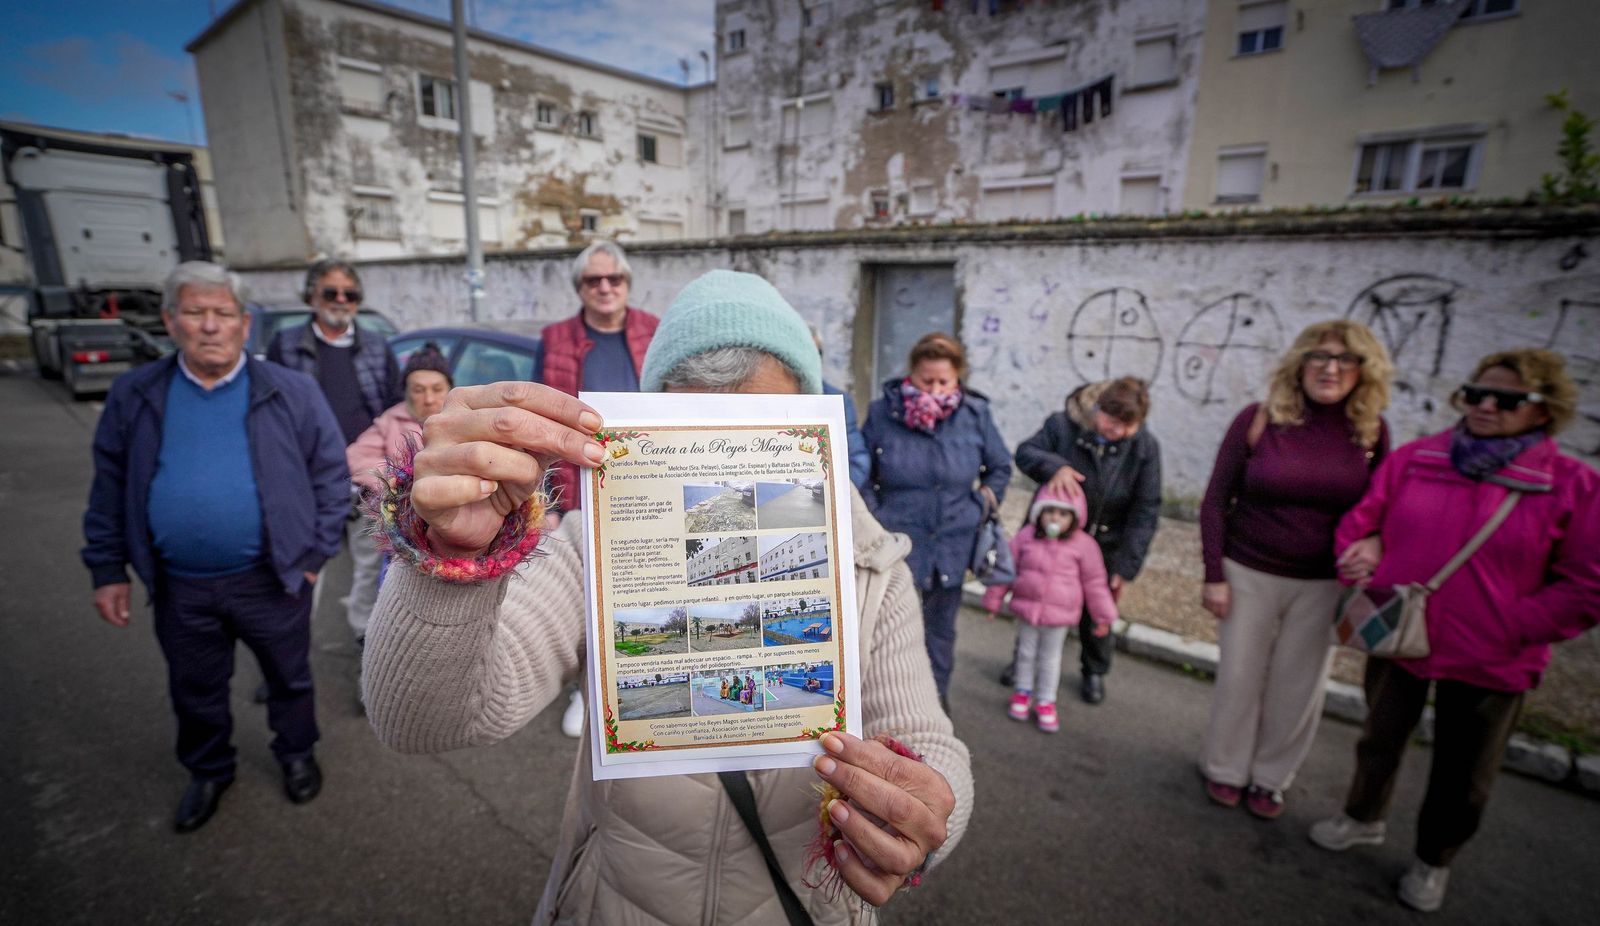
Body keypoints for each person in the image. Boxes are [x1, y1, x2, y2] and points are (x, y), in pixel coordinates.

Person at [362, 270, 970, 920]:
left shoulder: (867, 560)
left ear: (808, 425)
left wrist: (924, 809)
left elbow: (926, 740)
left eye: (760, 436)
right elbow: (421, 721)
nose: (729, 477)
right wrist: (451, 558)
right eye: (692, 434)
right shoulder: (594, 545)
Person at [1310, 349, 1600, 914]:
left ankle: (1434, 858)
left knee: (1465, 769)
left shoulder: (1571, 486)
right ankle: (1363, 817)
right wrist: (1360, 549)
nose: (1488, 405)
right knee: (1379, 739)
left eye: (1510, 398)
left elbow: (1587, 583)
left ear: (1544, 411)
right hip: (1399, 632)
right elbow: (1362, 517)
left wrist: (1516, 625)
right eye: (1477, 393)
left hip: (1493, 656)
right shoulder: (1418, 459)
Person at [82, 261, 348, 832]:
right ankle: (209, 771)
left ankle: (297, 754)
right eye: (195, 312)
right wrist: (107, 569)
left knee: (289, 678)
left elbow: (332, 476)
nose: (209, 326)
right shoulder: (137, 393)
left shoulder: (290, 390)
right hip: (180, 585)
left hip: (273, 579)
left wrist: (312, 558)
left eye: (222, 313)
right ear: (170, 321)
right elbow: (108, 486)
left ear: (244, 323)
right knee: (195, 687)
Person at [1197, 320, 1393, 820]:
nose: (1330, 368)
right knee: (1239, 677)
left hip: (1324, 582)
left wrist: (1373, 541)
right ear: (1299, 363)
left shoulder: (1371, 432)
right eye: (1319, 356)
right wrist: (1213, 574)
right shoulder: (1258, 420)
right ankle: (1224, 767)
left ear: (1362, 371)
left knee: (1299, 685)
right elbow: (1217, 499)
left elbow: (1383, 506)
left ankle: (1270, 777)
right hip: (1249, 571)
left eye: (1345, 359)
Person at [536, 240, 659, 738]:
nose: (605, 288)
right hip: (578, 483)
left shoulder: (653, 330)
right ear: (580, 288)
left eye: (615, 279)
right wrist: (541, 501)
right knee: (586, 590)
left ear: (627, 284)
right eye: (594, 280)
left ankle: (634, 679)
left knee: (641, 586)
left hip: (645, 482)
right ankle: (585, 692)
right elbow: (538, 419)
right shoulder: (557, 337)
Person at [862, 332, 1011, 708]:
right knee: (888, 629)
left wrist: (980, 506)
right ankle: (887, 704)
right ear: (911, 374)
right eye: (926, 380)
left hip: (952, 541)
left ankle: (936, 702)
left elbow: (1000, 467)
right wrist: (875, 516)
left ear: (957, 378)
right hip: (896, 540)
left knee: (941, 631)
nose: (935, 389)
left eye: (944, 381)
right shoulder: (883, 413)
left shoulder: (975, 415)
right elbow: (861, 471)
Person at [267, 258, 401, 646]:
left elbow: (393, 407)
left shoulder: (376, 345)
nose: (341, 300)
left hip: (364, 477)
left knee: (368, 562)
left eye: (350, 294)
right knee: (302, 565)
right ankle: (288, 652)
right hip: (306, 476)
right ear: (311, 296)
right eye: (331, 292)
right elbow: (272, 413)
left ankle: (367, 645)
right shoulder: (287, 344)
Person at [1011, 377, 1161, 704]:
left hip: (1106, 544)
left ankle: (1093, 670)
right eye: (1111, 420)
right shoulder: (1062, 425)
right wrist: (1055, 467)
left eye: (1128, 425)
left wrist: (1127, 563)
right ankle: (1021, 665)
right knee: (1036, 596)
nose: (1117, 431)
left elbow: (1146, 509)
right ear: (1097, 408)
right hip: (1051, 537)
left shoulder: (1144, 448)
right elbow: (1025, 452)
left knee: (1097, 613)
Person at [982, 488, 1119, 733]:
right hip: (1028, 611)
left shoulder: (1084, 545)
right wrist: (993, 600)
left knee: (1050, 659)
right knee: (1025, 653)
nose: (1055, 519)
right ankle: (1023, 692)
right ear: (1039, 513)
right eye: (1050, 512)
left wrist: (1103, 615)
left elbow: (1095, 583)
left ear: (1074, 518)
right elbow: (1006, 570)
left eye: (1063, 514)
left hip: (1059, 617)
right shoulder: (1026, 537)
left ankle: (1046, 700)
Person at [343, 343, 453, 636]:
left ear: (449, 389)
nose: (428, 398)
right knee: (369, 569)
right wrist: (401, 478)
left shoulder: (460, 421)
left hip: (443, 518)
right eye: (418, 389)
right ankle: (365, 633)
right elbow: (356, 456)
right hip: (392, 511)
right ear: (407, 391)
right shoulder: (392, 419)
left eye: (436, 388)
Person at [811, 324, 871, 489]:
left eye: (816, 354)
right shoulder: (771, 395)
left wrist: (834, 495)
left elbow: (857, 460)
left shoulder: (836, 400)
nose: (809, 360)